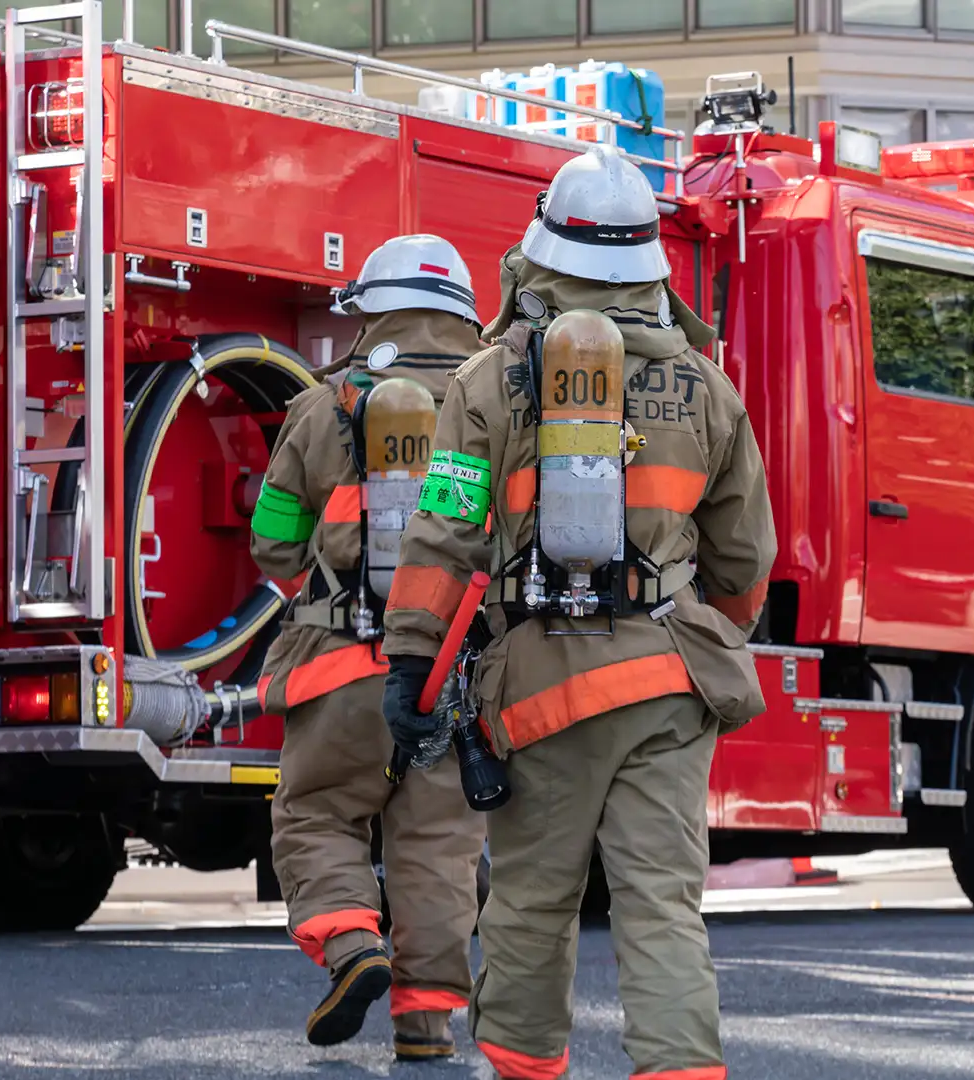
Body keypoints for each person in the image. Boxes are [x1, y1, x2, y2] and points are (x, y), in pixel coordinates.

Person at [381, 145, 775, 1080]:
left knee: (529, 904)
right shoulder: (709, 391)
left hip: (541, 692)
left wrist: (412, 663)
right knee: (663, 907)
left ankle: (522, 1069)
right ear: (649, 265)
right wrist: (699, 632)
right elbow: (744, 563)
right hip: (672, 685)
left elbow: (444, 533)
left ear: (544, 253)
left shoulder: (488, 381)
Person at [249, 234, 490, 1063]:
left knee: (317, 812)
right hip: (454, 670)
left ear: (368, 312)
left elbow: (272, 543)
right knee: (436, 847)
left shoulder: (324, 407)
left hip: (340, 667)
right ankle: (424, 1025)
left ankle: (353, 946)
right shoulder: (492, 400)